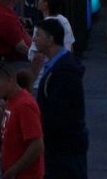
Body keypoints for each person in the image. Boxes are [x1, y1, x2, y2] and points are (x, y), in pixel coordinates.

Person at [31, 20, 85, 179]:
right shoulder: (58, 66)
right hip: (62, 145)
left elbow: (60, 113)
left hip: (63, 147)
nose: (34, 39)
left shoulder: (64, 71)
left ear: (50, 39)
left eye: (38, 35)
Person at [0, 63, 41, 179]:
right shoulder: (11, 101)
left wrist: (14, 170)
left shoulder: (24, 105)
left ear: (10, 80)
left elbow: (37, 145)